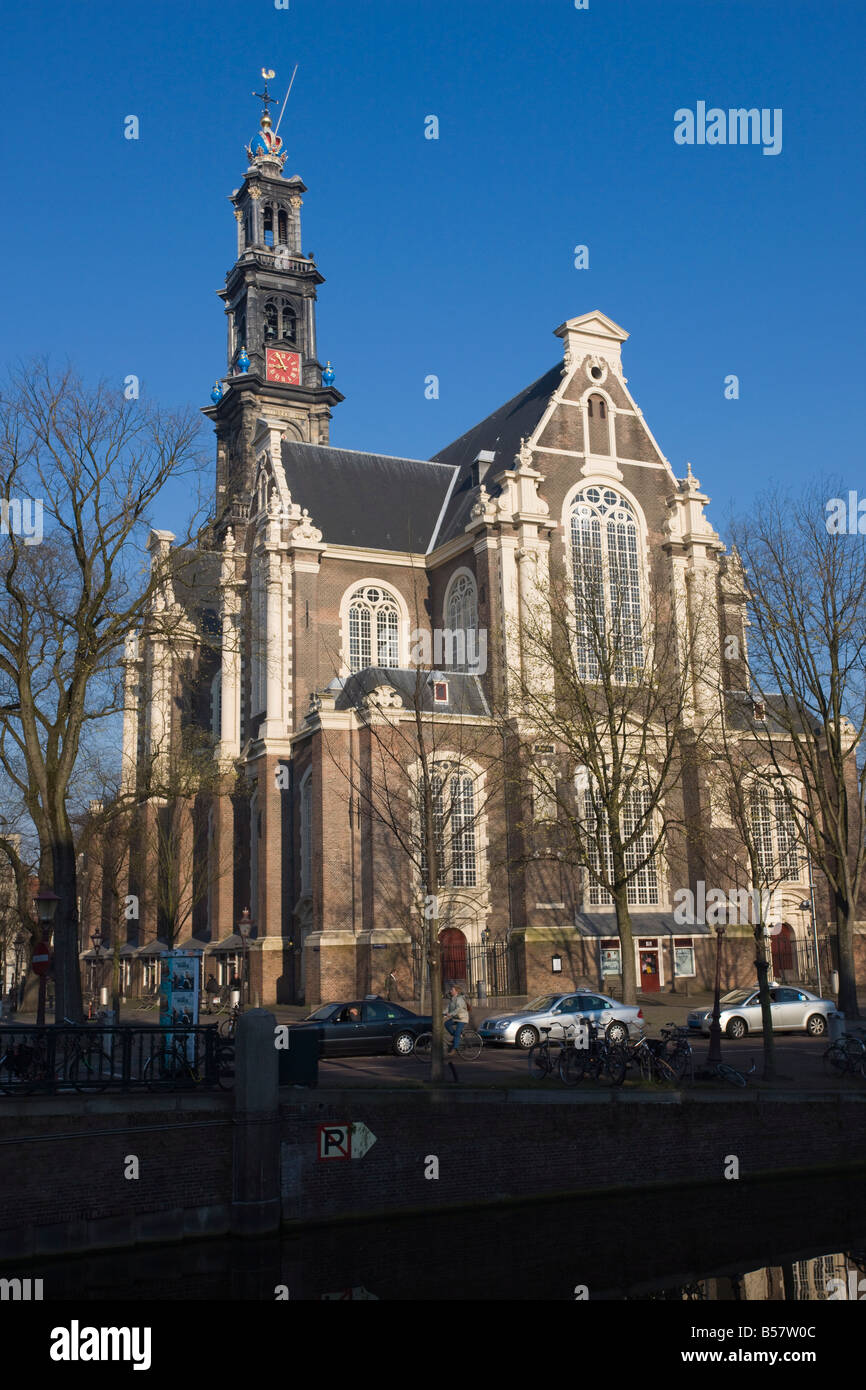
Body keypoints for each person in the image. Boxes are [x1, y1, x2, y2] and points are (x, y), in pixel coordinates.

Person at [443, 983, 469, 1053]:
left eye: (452, 990)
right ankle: (456, 1038)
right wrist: (443, 1013)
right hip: (456, 1017)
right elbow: (448, 1008)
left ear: (456, 992)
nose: (450, 991)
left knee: (457, 1032)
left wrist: (450, 1014)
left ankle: (454, 1048)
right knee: (446, 1024)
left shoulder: (459, 999)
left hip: (462, 1018)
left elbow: (458, 1009)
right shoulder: (453, 999)